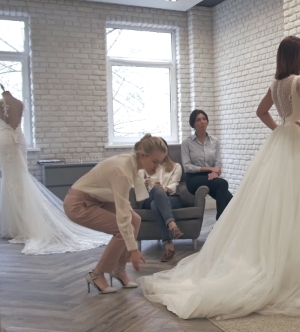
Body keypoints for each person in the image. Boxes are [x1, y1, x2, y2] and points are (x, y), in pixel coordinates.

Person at [138, 36, 300, 320]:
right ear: (297, 57)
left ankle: (283, 258)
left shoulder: (276, 84)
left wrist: (279, 128)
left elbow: (261, 111)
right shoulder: (298, 82)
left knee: (279, 201)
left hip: (283, 139)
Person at [0, 87, 109, 255]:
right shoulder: (19, 103)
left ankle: (20, 224)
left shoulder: (3, 103)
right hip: (18, 140)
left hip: (6, 140)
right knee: (16, 177)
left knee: (12, 178)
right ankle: (18, 223)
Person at [63, 134, 167, 294]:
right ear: (142, 155)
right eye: (155, 162)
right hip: (78, 204)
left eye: (160, 163)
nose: (157, 167)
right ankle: (96, 274)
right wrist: (133, 250)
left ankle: (119, 269)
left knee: (135, 220)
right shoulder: (122, 171)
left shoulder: (132, 163)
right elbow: (123, 215)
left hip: (99, 199)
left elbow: (126, 207)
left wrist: (131, 247)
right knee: (122, 228)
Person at [138, 138, 184, 262]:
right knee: (156, 192)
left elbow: (175, 184)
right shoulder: (146, 167)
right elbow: (133, 184)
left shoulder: (176, 166)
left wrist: (166, 189)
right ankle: (172, 225)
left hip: (171, 198)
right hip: (149, 197)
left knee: (156, 203)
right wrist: (144, 182)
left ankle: (168, 245)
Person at [181, 110, 233, 220]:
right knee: (223, 183)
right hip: (193, 179)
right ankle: (219, 222)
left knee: (231, 200)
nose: (202, 122)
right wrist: (210, 169)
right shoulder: (187, 142)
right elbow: (187, 166)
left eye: (204, 119)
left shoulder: (215, 141)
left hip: (211, 177)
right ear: (193, 124)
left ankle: (226, 227)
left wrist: (215, 172)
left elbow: (218, 164)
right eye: (198, 120)